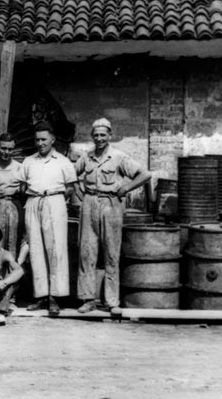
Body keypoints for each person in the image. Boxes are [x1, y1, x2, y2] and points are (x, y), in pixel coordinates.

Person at [75, 118, 152, 315]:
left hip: (111, 205)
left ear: (110, 136)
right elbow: (71, 175)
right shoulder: (87, 156)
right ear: (92, 136)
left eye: (103, 135)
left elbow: (144, 174)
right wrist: (80, 194)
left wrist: (125, 188)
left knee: (111, 253)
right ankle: (87, 299)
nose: (99, 138)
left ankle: (111, 301)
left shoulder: (118, 157)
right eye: (96, 135)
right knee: (87, 252)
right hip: (89, 203)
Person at [16, 122, 77, 315]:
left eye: (44, 139)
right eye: (37, 140)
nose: (40, 143)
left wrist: (55, 200)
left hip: (55, 201)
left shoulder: (62, 161)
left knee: (56, 248)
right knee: (35, 249)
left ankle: (55, 297)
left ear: (52, 139)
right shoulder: (28, 161)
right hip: (33, 201)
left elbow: (70, 188)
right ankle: (41, 296)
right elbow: (22, 187)